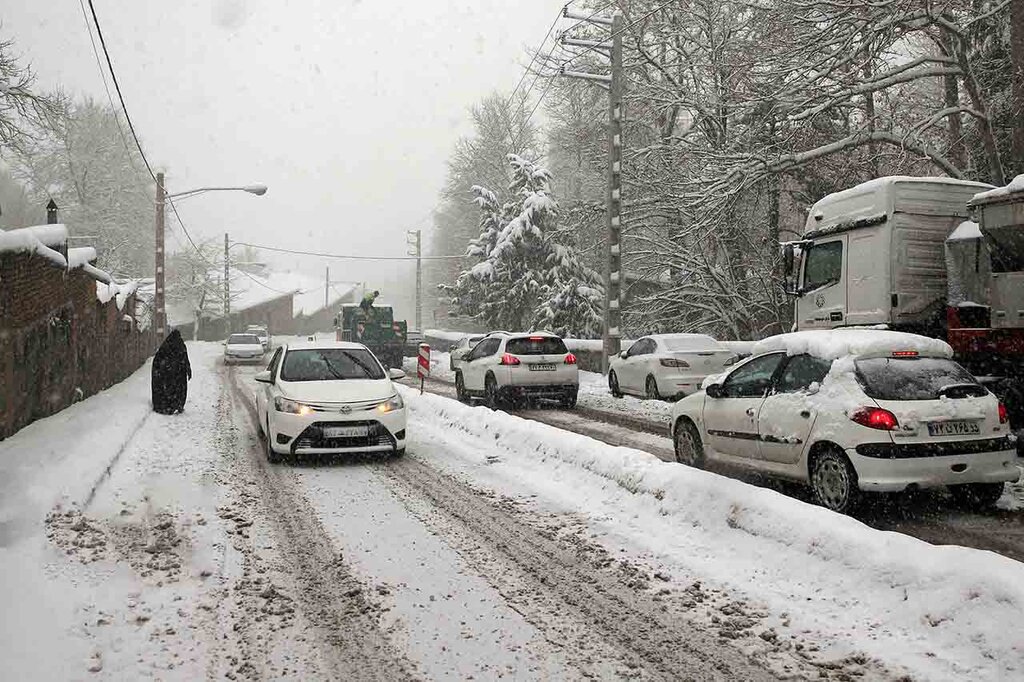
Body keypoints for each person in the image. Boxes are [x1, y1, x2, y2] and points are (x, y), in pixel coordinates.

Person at [152, 329, 192, 414]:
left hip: (169, 373)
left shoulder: (166, 345)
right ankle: (178, 404)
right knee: (179, 390)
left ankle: (168, 405)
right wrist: (188, 370)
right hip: (179, 373)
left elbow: (159, 359)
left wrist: (162, 369)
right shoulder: (181, 345)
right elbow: (185, 359)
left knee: (170, 389)